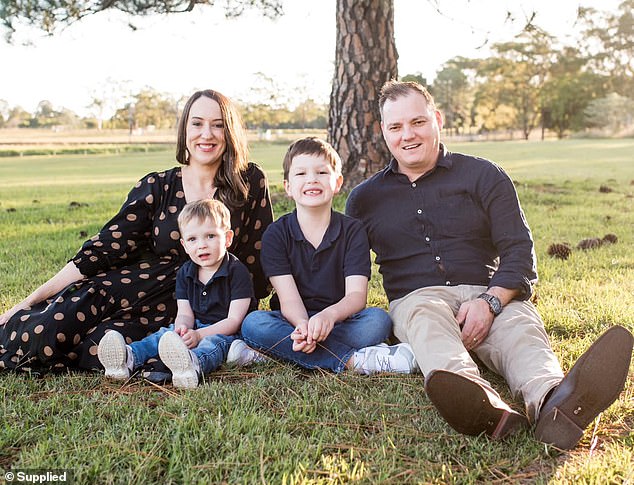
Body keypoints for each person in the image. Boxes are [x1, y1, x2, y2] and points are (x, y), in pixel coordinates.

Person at [345, 80, 633, 449]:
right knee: (428, 327)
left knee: (521, 332)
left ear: (437, 119)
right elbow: (347, 269)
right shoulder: (364, 199)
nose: (408, 135)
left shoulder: (483, 175)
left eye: (417, 122)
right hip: (417, 298)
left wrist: (491, 301)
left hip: (490, 290)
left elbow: (518, 250)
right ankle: (483, 407)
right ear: (383, 132)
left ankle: (554, 402)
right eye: (395, 127)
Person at [0, 89, 273, 373]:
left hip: (190, 307)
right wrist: (27, 301)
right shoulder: (158, 186)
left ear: (230, 132)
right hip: (137, 286)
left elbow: (263, 257)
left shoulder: (248, 182)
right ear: (185, 129)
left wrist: (254, 320)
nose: (207, 134)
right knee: (48, 329)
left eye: (218, 125)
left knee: (96, 348)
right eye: (197, 123)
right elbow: (103, 249)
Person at [233, 137, 418, 374]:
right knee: (254, 324)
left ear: (337, 182)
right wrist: (303, 327)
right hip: (291, 321)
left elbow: (356, 296)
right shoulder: (276, 234)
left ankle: (282, 352)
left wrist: (328, 317)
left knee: (377, 321)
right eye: (301, 174)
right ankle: (355, 361)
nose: (312, 179)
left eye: (321, 172)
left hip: (338, 319)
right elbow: (288, 300)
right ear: (288, 187)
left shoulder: (353, 231)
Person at [98, 199, 254, 388]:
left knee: (212, 344)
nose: (202, 245)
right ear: (184, 245)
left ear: (227, 238)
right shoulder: (186, 273)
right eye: (192, 239)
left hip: (227, 332)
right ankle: (128, 357)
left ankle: (193, 365)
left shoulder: (237, 272)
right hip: (195, 326)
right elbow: (185, 313)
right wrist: (183, 329)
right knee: (165, 334)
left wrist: (198, 335)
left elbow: (234, 321)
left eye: (210, 236)